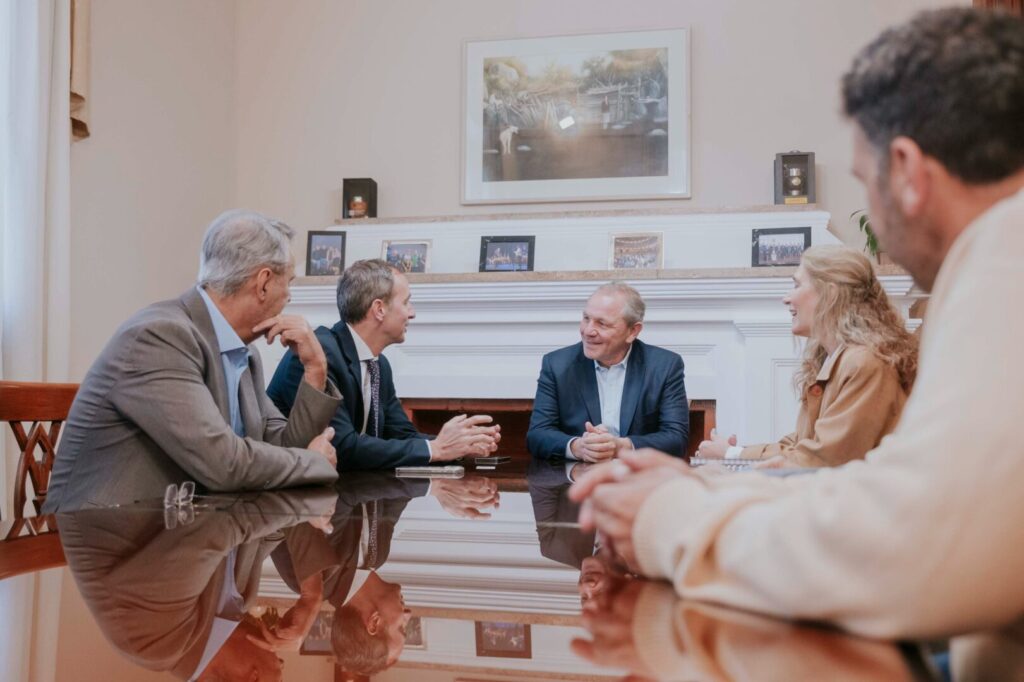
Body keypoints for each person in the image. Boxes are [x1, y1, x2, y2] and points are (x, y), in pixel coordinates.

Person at [570, 7, 1024, 639]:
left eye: (866, 183)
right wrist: (710, 494)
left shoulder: (1006, 263)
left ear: (909, 172)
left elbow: (917, 552)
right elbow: (890, 485)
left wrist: (665, 519)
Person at [44, 210, 340, 513]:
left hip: (181, 533)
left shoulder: (245, 353)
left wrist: (316, 369)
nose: (289, 296)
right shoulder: (160, 336)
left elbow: (285, 450)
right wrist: (314, 462)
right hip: (101, 539)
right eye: (287, 282)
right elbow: (223, 464)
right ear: (263, 282)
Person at [697, 244, 917, 467]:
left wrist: (730, 455)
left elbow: (823, 458)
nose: (786, 298)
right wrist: (736, 451)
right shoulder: (833, 359)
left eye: (796, 285)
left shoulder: (864, 364)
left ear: (830, 294)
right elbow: (802, 443)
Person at [268, 259, 500, 470]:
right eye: (406, 303)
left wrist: (459, 446)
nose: (412, 313)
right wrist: (437, 449)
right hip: (285, 503)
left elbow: (401, 434)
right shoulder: (317, 355)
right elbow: (343, 446)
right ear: (379, 309)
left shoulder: (379, 365)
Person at [526, 282, 688, 463]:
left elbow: (676, 439)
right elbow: (537, 435)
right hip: (576, 481)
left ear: (632, 331)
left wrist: (621, 446)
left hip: (641, 481)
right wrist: (577, 447)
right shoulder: (557, 365)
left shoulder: (664, 366)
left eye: (602, 323)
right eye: (586, 318)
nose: (588, 331)